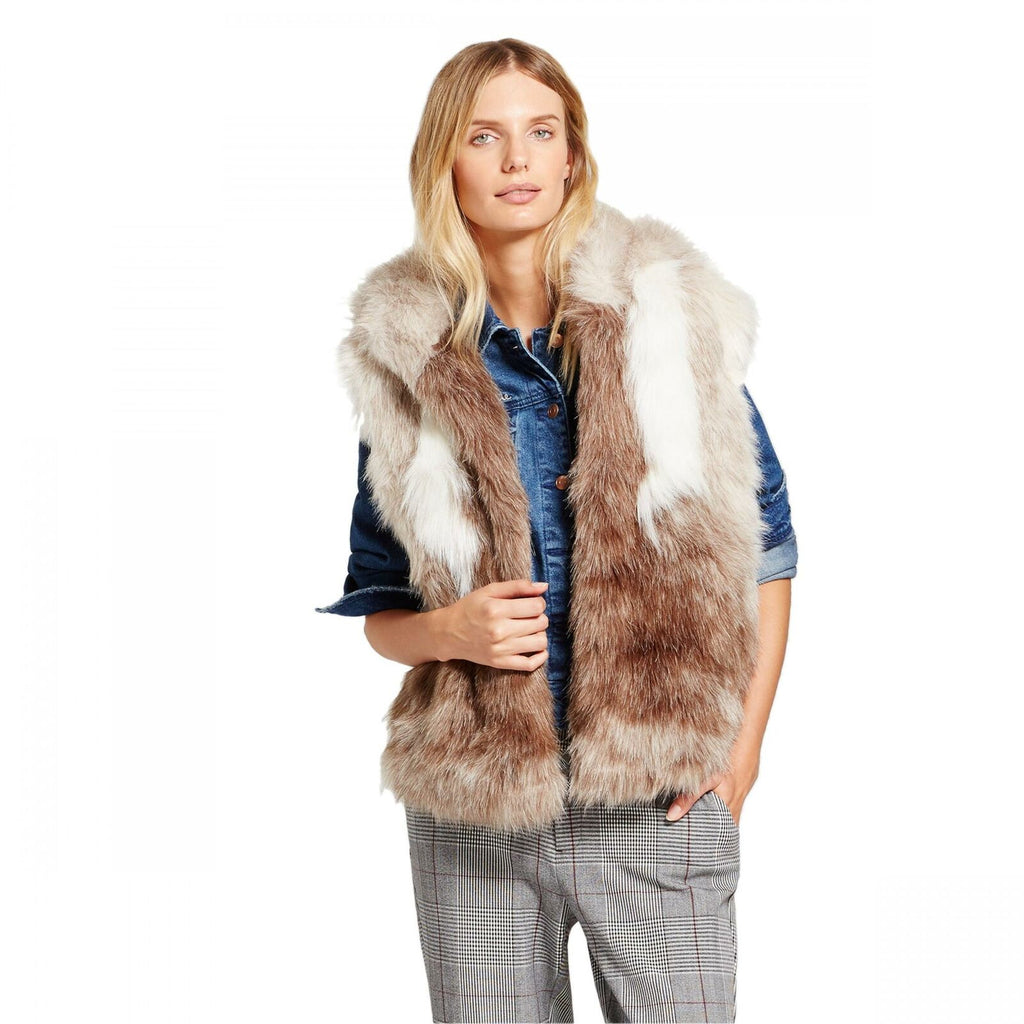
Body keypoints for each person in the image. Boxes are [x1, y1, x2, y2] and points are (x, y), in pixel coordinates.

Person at [316, 38, 797, 1024]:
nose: (517, 160)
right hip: (476, 811)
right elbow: (380, 607)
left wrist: (742, 750)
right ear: (445, 162)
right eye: (484, 136)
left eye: (541, 132)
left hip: (657, 798)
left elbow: (771, 551)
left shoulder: (666, 322)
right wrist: (450, 631)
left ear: (572, 155)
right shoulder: (408, 359)